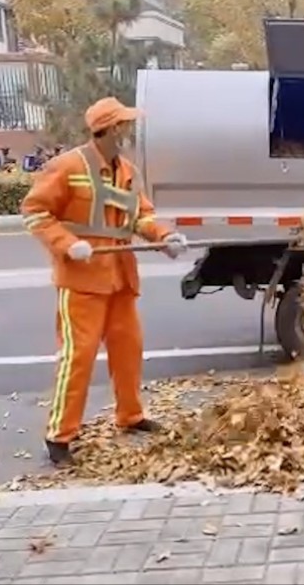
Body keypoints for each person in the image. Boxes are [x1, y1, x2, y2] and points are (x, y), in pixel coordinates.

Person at [20, 96, 188, 466]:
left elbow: (141, 215)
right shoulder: (67, 166)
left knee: (129, 348)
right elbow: (34, 212)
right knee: (77, 358)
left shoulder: (127, 170)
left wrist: (164, 237)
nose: (129, 130)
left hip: (119, 277)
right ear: (111, 129)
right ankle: (59, 436)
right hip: (82, 279)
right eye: (125, 124)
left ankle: (130, 416)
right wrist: (67, 244)